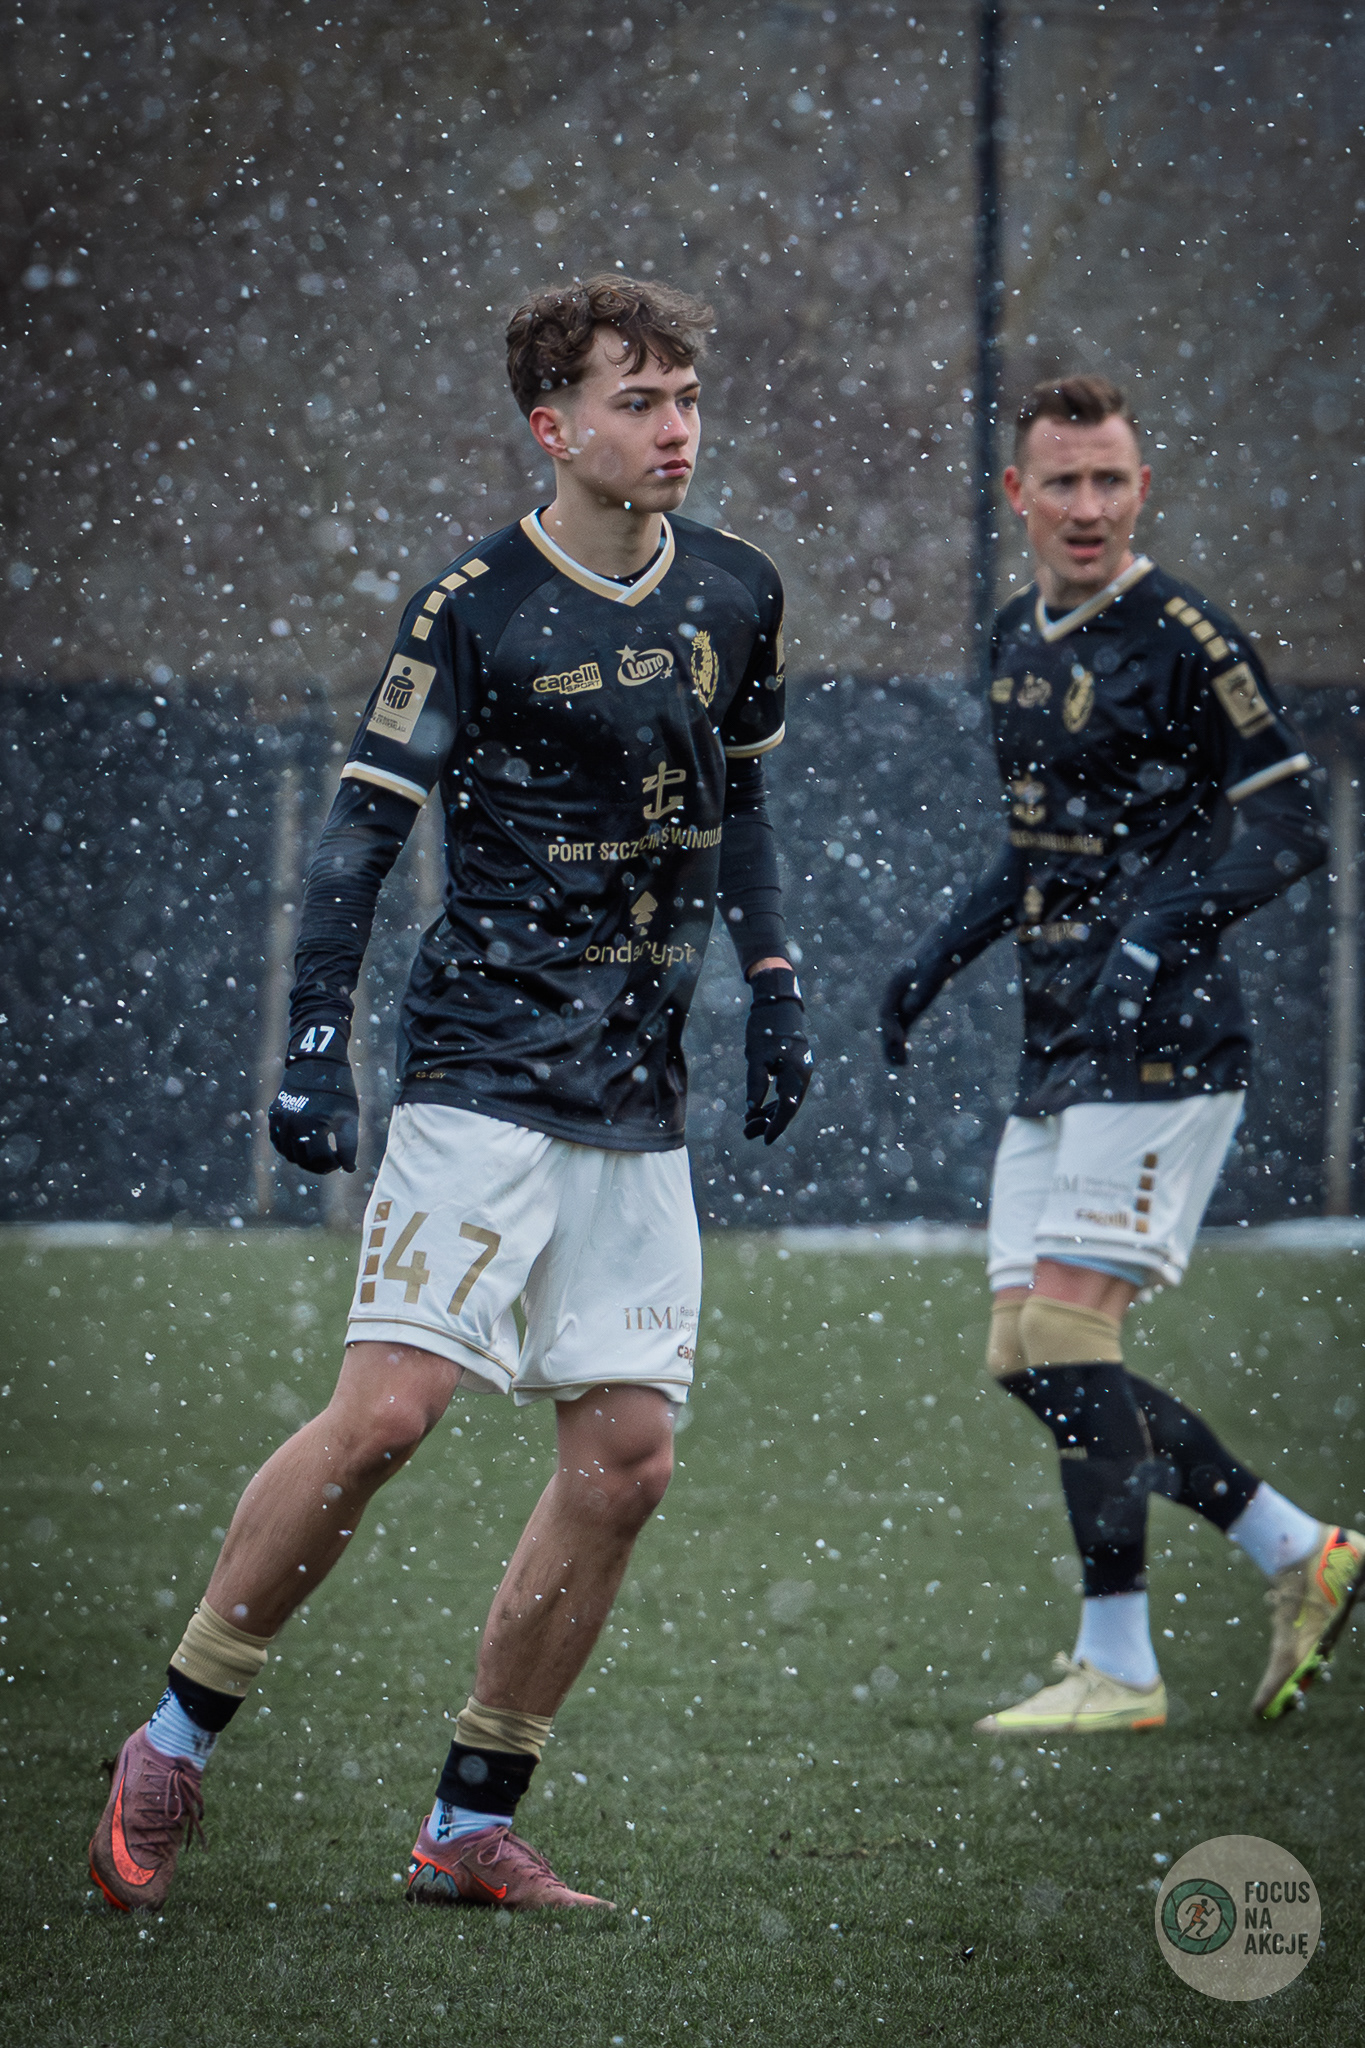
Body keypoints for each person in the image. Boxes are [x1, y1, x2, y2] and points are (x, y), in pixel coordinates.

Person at [88, 274, 812, 1912]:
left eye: (687, 396)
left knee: (627, 1460)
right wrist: (314, 1042)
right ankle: (175, 1738)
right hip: (485, 1069)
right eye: (637, 400)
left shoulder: (738, 590)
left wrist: (772, 985)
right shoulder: (473, 606)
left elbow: (747, 806)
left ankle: (467, 1821)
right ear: (552, 427)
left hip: (637, 1085)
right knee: (388, 1418)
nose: (676, 428)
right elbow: (362, 833)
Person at [880, 373, 1363, 1736]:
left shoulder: (1187, 635)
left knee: (1065, 1332)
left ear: (1141, 488)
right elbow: (1038, 843)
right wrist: (936, 954)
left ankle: (1123, 1666)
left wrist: (1155, 936)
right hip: (1061, 1040)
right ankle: (1295, 1551)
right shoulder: (1010, 641)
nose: (1088, 505)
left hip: (1167, 1041)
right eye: (1064, 481)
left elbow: (1289, 828)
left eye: (1111, 480)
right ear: (1017, 495)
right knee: (1021, 1354)